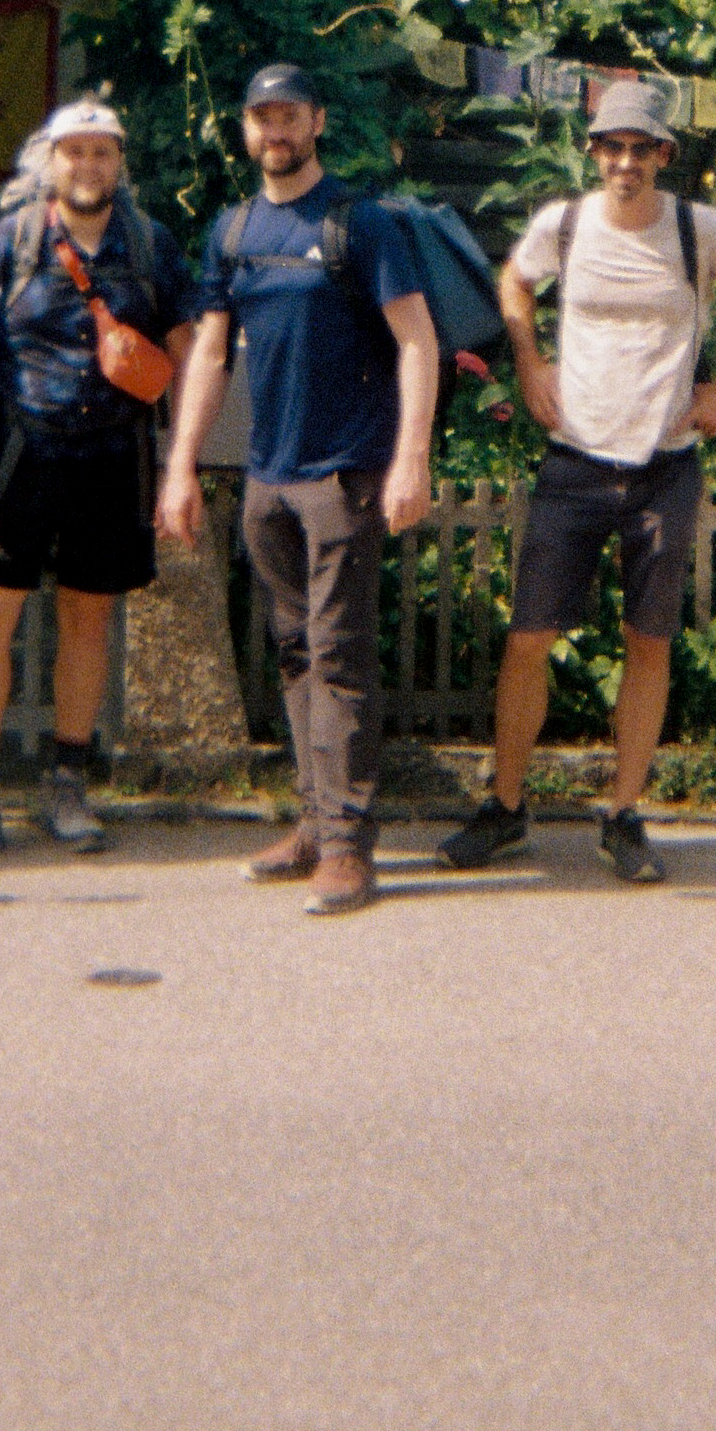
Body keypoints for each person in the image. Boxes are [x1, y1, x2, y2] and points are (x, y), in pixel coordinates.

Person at [438, 80, 716, 887]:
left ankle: (623, 813)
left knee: (647, 640)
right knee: (528, 638)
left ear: (664, 154)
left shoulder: (703, 230)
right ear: (593, 152)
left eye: (641, 148)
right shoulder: (563, 224)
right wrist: (528, 361)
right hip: (574, 457)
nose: (625, 162)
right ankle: (506, 806)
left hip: (664, 462)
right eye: (611, 146)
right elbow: (515, 284)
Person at [158, 64, 437, 917]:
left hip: (344, 474)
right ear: (244, 128)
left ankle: (349, 848)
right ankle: (316, 823)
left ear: (316, 120)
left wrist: (410, 457)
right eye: (260, 116)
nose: (274, 129)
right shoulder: (233, 230)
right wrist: (180, 464)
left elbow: (417, 342)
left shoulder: (363, 224)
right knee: (293, 651)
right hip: (266, 477)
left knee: (340, 652)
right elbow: (208, 354)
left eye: (289, 114)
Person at [0, 100, 199, 867]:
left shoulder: (151, 246)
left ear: (119, 163)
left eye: (102, 152)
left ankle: (67, 782)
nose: (88, 165)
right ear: (51, 160)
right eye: (74, 151)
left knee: (86, 620)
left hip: (113, 459)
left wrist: (180, 466)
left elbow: (191, 351)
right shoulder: (9, 242)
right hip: (20, 455)